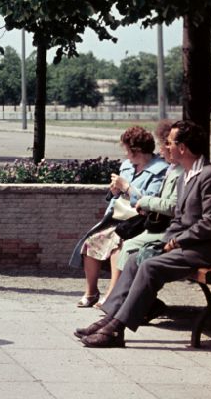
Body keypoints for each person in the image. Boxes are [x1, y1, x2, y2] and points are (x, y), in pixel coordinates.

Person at [78, 119, 211, 348]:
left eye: (169, 142)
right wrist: (168, 240)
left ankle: (116, 329)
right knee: (138, 258)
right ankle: (110, 318)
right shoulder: (187, 175)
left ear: (183, 148)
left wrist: (177, 241)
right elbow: (179, 217)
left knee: (150, 266)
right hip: (195, 246)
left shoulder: (210, 176)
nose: (165, 147)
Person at [69, 125, 168, 307]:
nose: (125, 154)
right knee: (91, 242)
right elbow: (115, 198)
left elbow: (150, 202)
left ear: (135, 150)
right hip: (119, 219)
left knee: (116, 245)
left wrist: (127, 188)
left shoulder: (160, 170)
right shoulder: (127, 167)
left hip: (140, 223)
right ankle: (91, 292)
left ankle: (113, 294)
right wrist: (114, 191)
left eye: (126, 149)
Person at [113, 120, 182, 284]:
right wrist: (115, 192)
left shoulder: (171, 170)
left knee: (126, 246)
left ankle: (120, 297)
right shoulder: (172, 169)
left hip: (162, 227)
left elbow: (171, 206)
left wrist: (141, 199)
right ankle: (120, 296)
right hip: (142, 221)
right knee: (119, 244)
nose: (160, 149)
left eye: (164, 144)